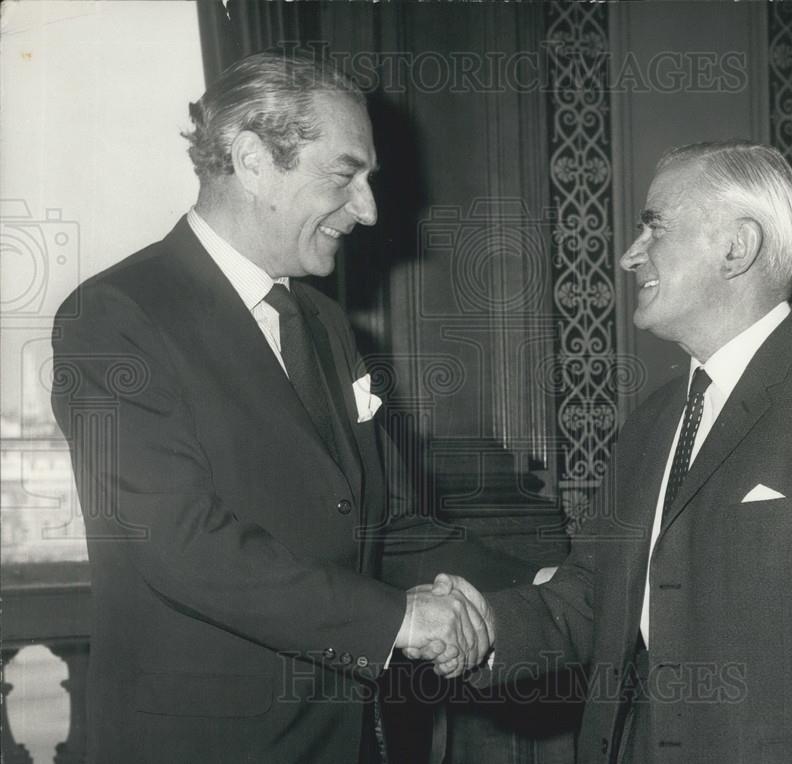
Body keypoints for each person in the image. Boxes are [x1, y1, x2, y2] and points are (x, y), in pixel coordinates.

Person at [435, 141, 792, 763]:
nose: (631, 255)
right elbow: (592, 596)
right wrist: (483, 628)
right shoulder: (654, 422)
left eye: (654, 226)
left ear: (737, 246)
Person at [50, 50, 497, 763]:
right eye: (346, 175)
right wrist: (401, 620)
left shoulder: (321, 323)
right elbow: (178, 543)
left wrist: (546, 582)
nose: (369, 209)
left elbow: (374, 524)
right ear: (254, 159)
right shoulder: (116, 316)